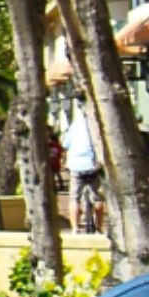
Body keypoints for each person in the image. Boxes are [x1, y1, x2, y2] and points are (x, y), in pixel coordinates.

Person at [61, 96, 102, 231]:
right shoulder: (97, 125)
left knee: (74, 197)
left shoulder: (75, 126)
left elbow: (65, 144)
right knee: (97, 197)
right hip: (93, 165)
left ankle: (75, 228)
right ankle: (99, 227)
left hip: (77, 165)